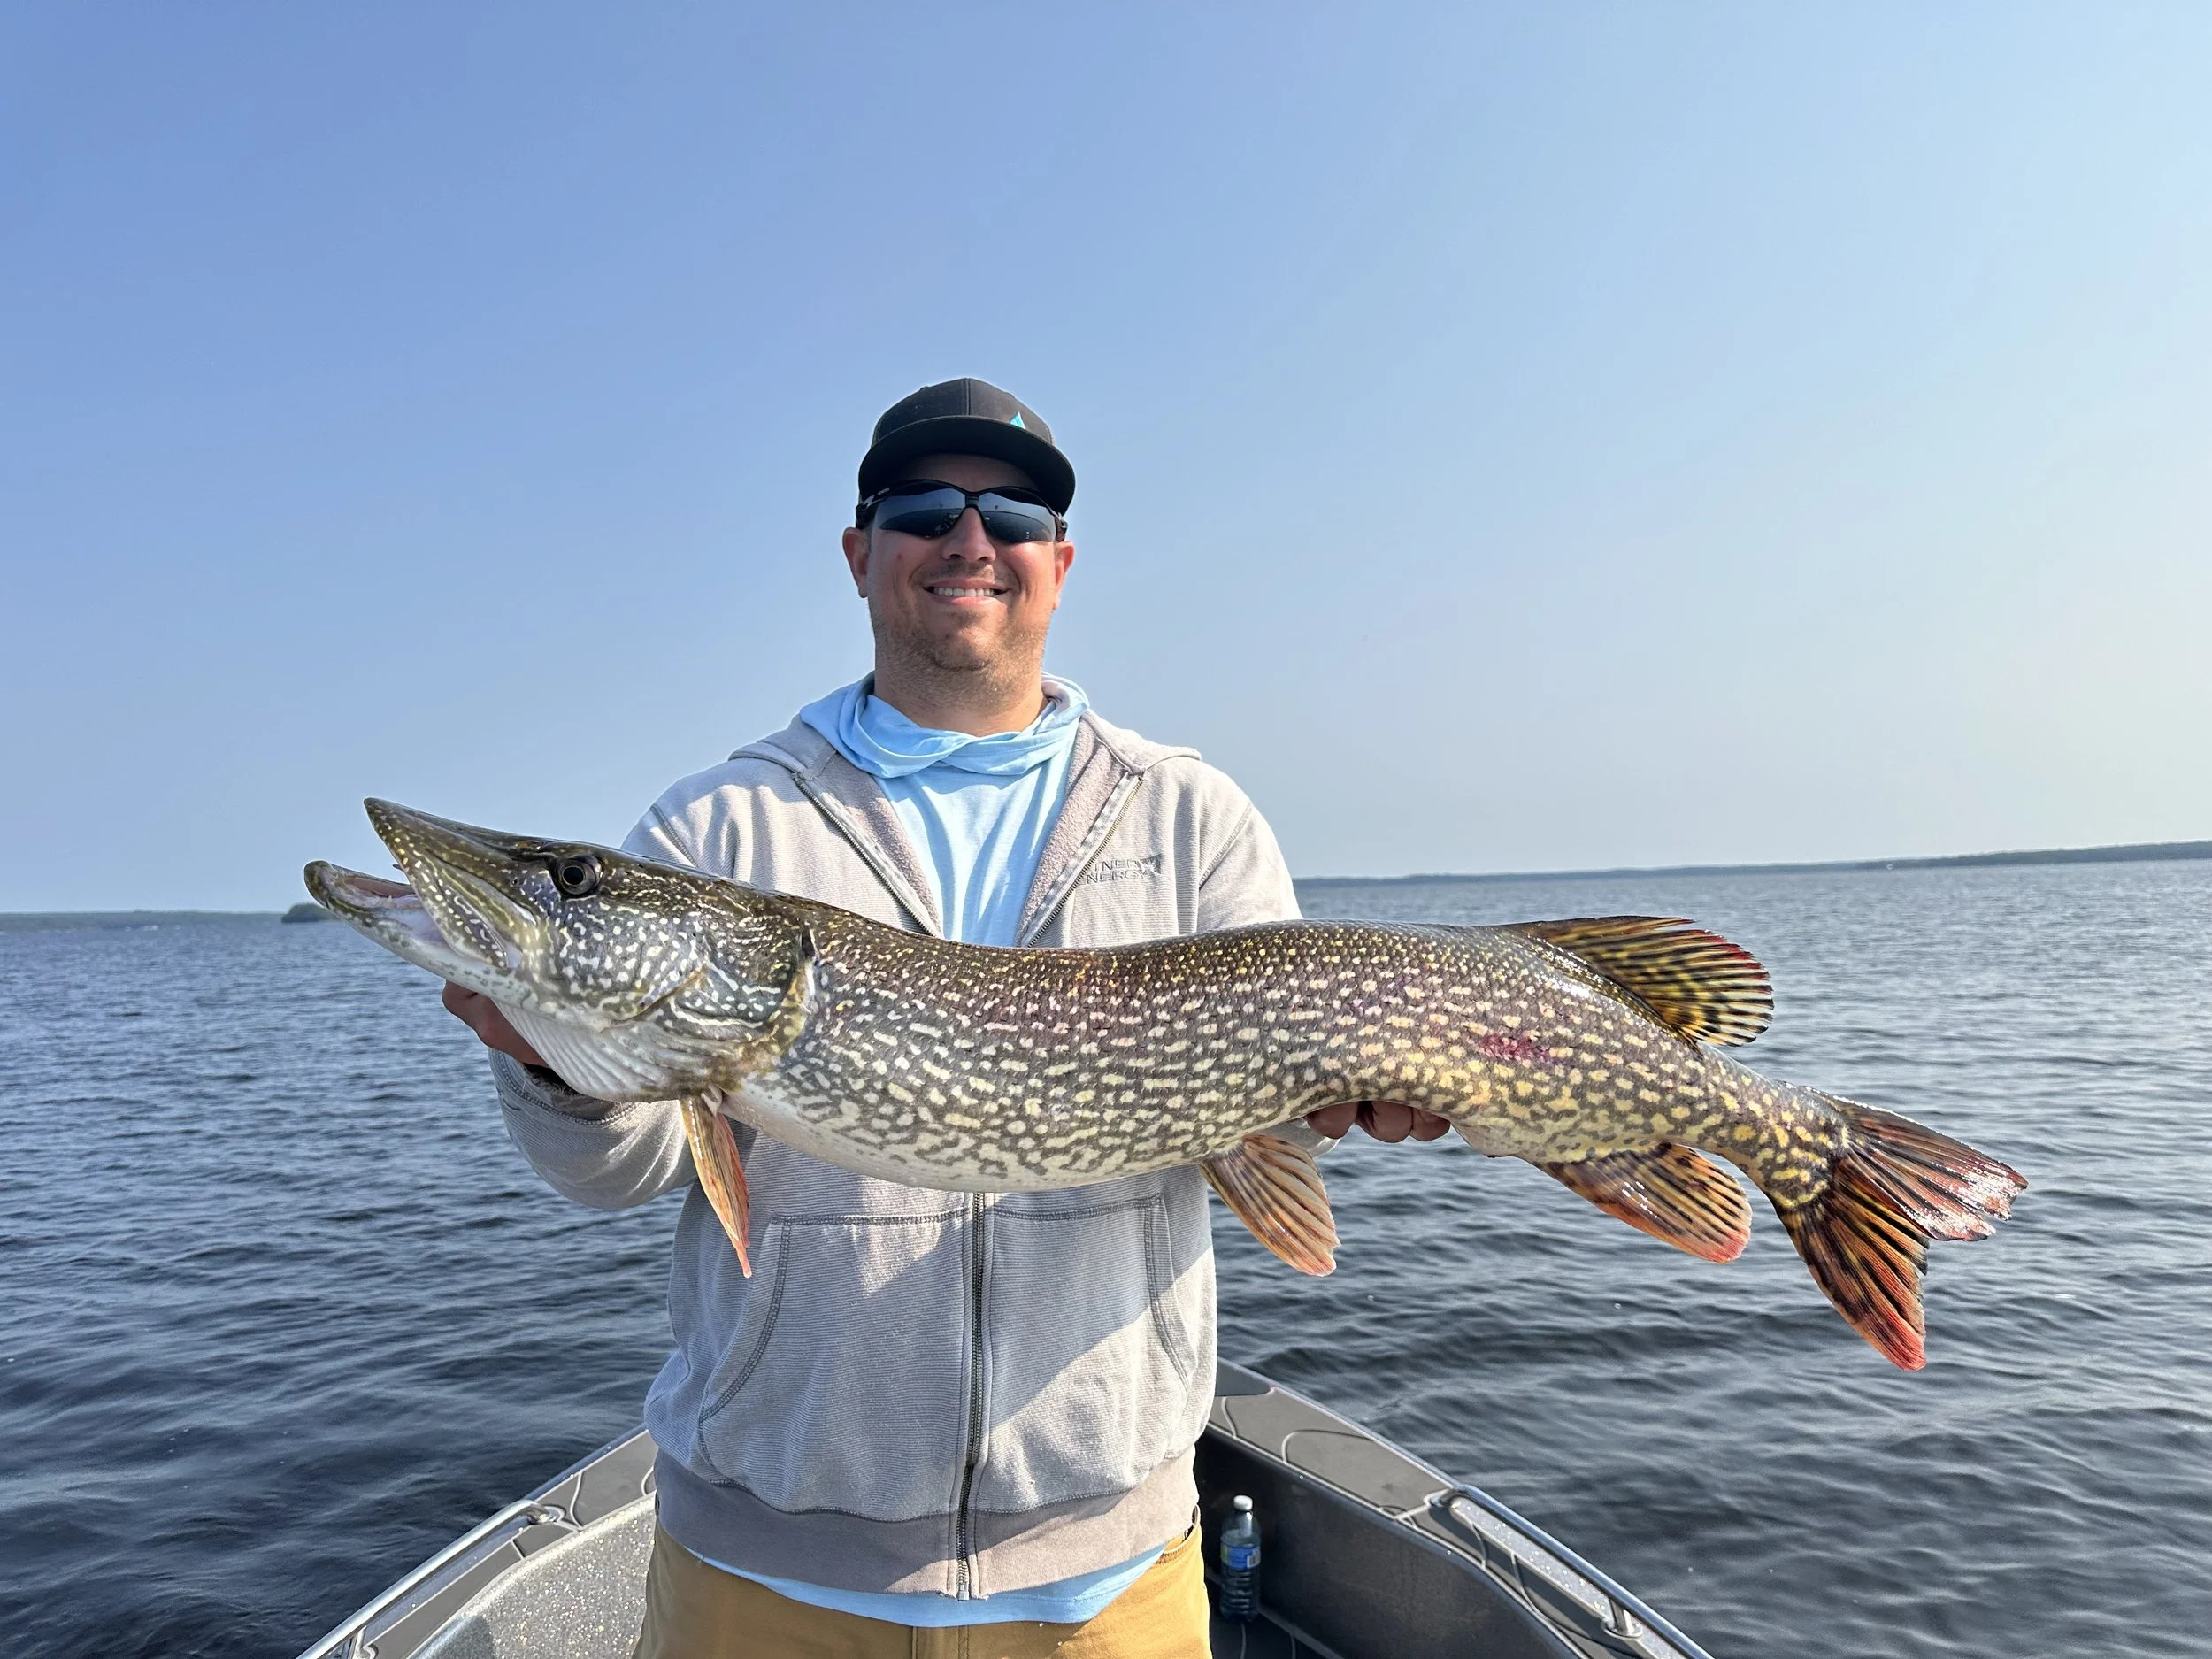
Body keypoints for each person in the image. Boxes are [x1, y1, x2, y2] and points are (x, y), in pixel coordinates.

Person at [442, 379, 1448, 1659]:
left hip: (1108, 1586)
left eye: (1012, 513)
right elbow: (618, 1170)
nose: (968, 540)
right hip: (762, 1576)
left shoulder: (1191, 819)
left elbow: (1279, 1110)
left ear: (1058, 563)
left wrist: (1355, 1094)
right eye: (921, 509)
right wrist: (565, 1065)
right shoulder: (723, 829)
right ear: (860, 555)